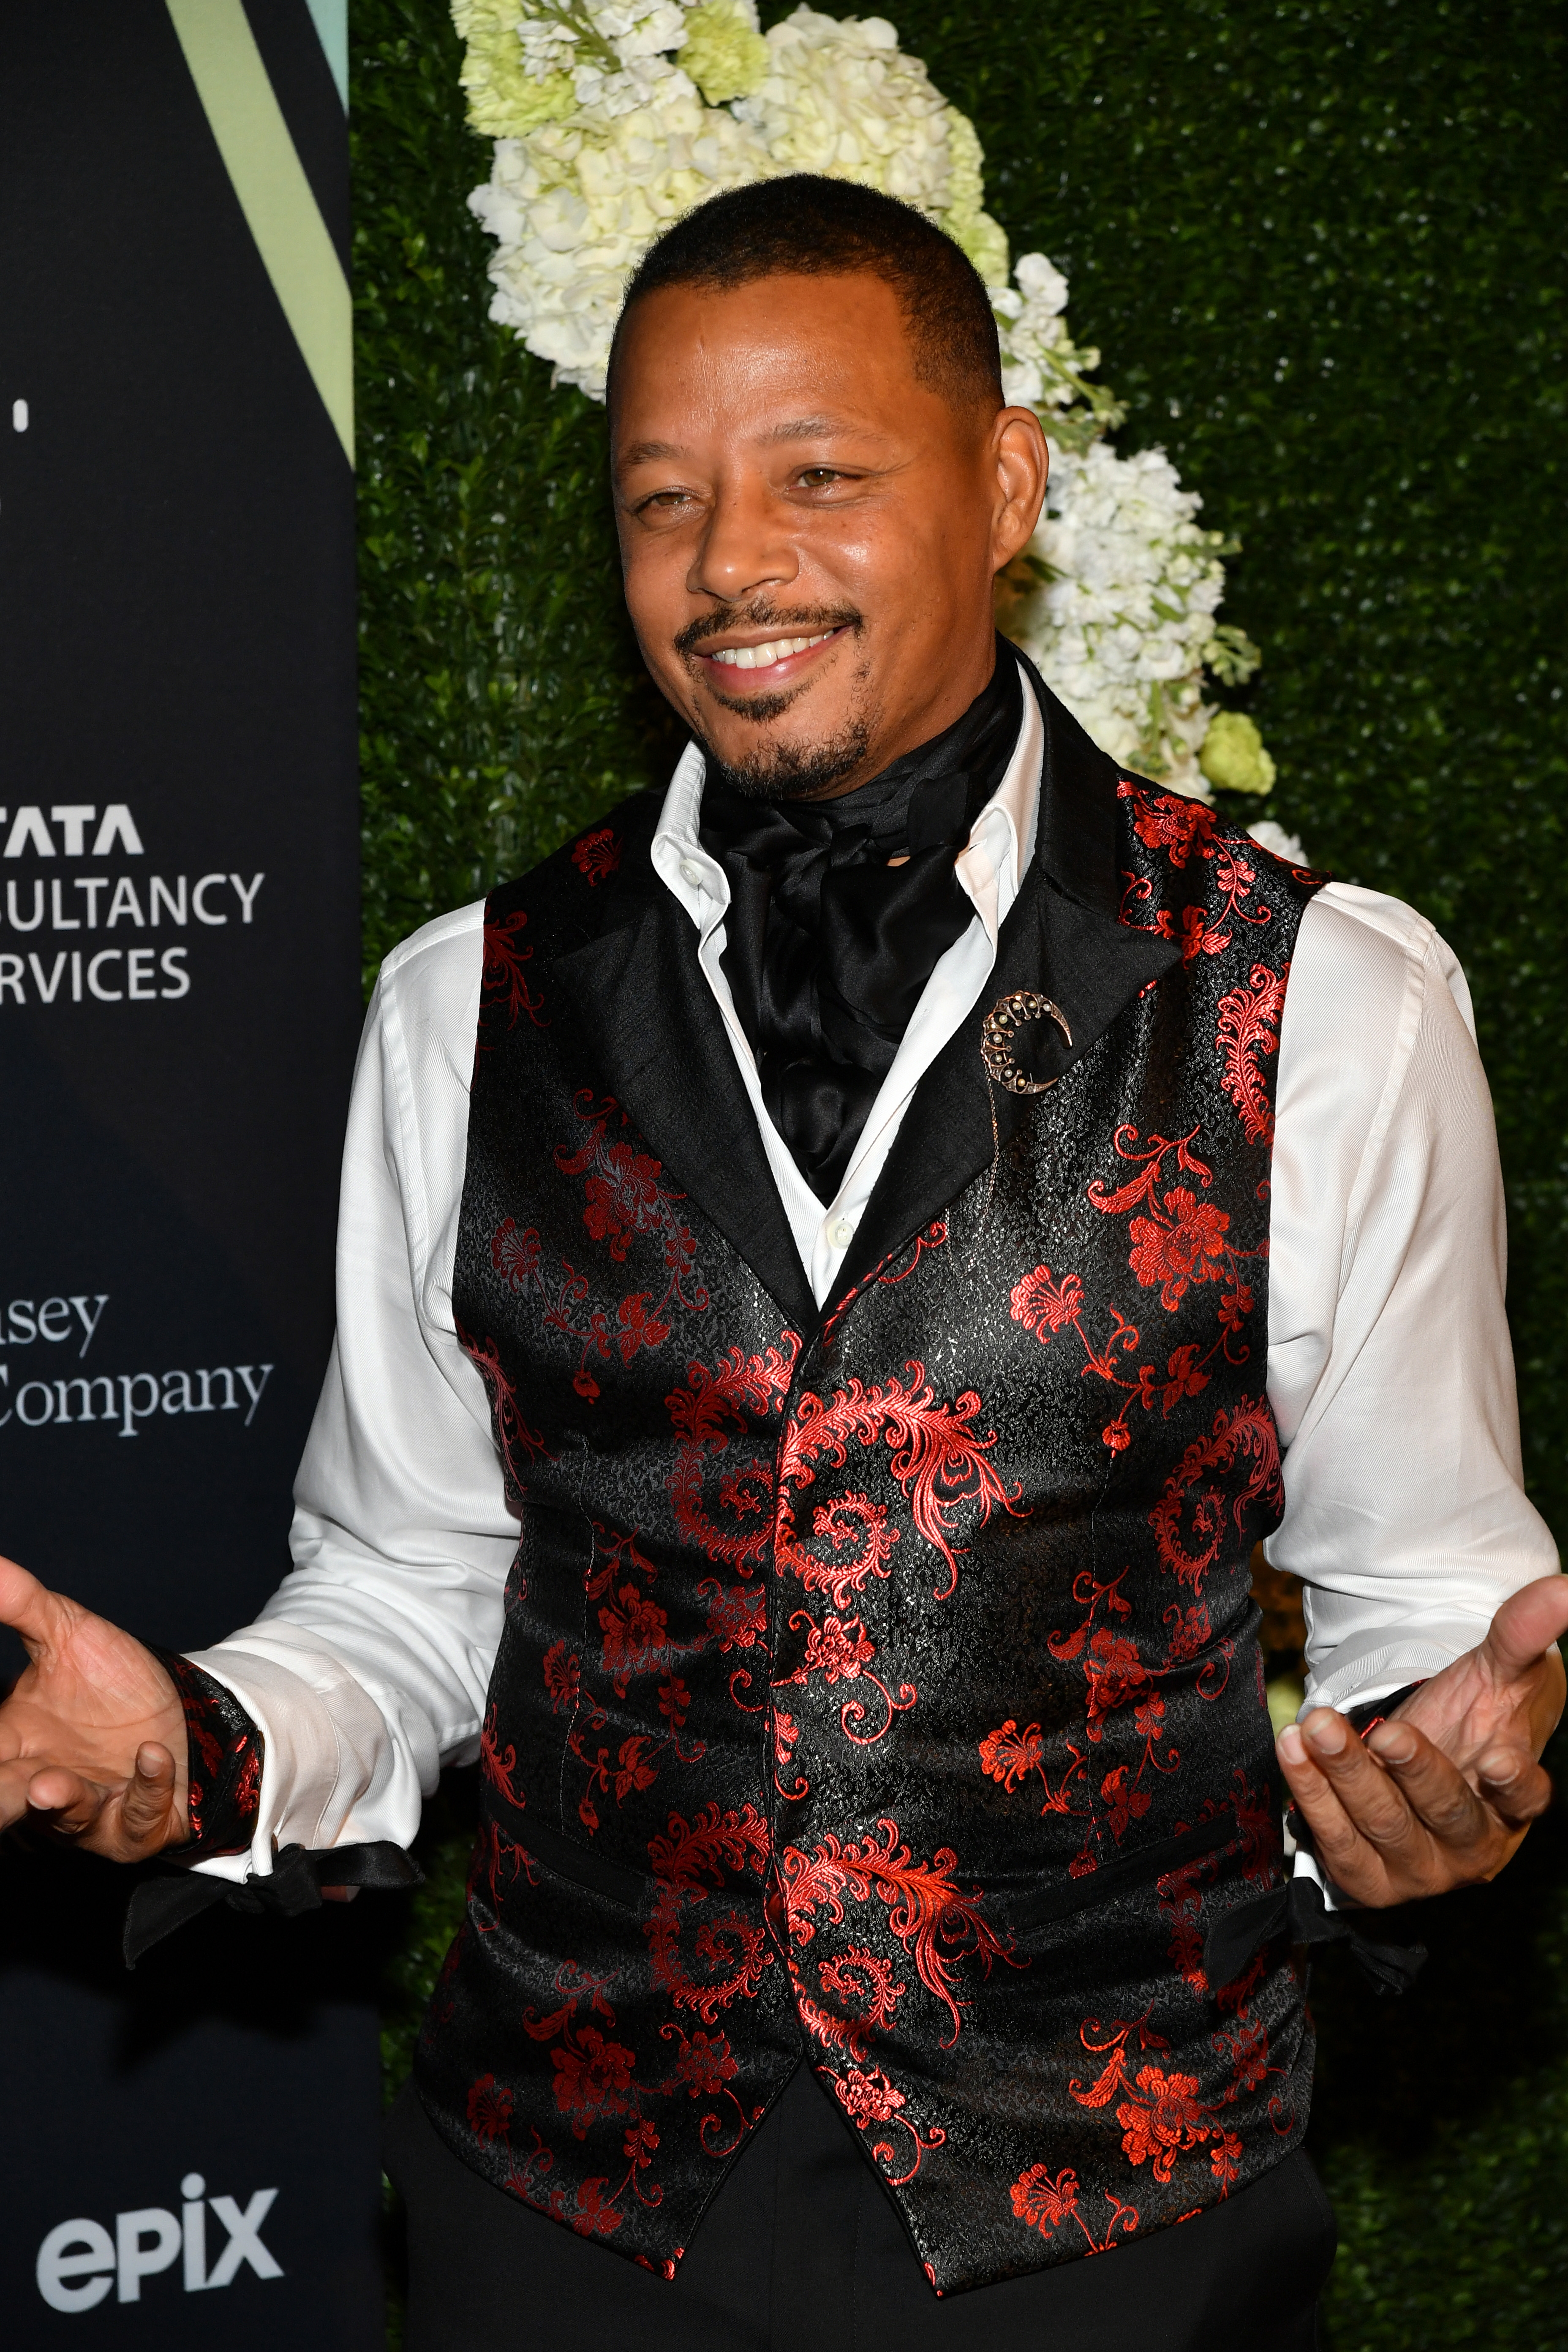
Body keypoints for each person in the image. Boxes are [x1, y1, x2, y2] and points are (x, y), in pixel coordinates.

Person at [0, 176, 1562, 2351]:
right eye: (663, 500)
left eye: (818, 477)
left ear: (1005, 481)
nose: (731, 563)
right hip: (558, 2222)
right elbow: (410, 1586)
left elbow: (1424, 1613)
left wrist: (1433, 1800)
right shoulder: (465, 1007)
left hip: (1109, 2235)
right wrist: (194, 1743)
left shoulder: (1326, 1002)